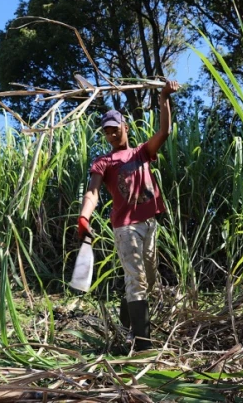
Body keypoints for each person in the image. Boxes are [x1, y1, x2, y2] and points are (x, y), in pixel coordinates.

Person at [77, 80, 180, 351]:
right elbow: (93, 193)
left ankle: (126, 325)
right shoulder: (103, 162)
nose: (111, 135)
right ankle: (143, 345)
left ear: (125, 127)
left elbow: (165, 131)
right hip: (125, 227)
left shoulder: (142, 153)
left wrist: (164, 98)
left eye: (114, 129)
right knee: (137, 280)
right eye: (106, 132)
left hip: (149, 223)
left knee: (149, 278)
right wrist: (84, 217)